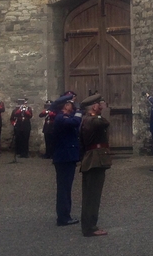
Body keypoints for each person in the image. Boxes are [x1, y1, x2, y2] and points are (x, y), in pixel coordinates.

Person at [79, 93, 111, 237]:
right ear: (94, 106)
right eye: (99, 104)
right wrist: (106, 109)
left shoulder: (87, 119)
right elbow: (105, 122)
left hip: (93, 159)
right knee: (93, 195)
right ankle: (90, 227)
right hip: (95, 160)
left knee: (90, 195)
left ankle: (88, 225)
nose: (101, 105)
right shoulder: (92, 120)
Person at [54, 98, 82, 226]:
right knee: (64, 188)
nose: (73, 106)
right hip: (64, 158)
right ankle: (63, 217)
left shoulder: (65, 116)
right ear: (65, 106)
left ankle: (65, 214)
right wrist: (79, 112)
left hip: (67, 157)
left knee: (66, 188)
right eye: (71, 104)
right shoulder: (61, 118)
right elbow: (75, 122)